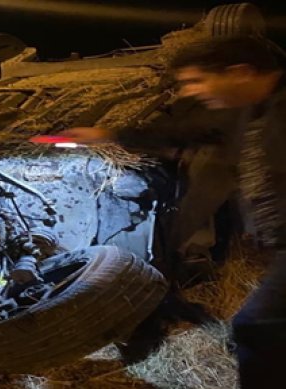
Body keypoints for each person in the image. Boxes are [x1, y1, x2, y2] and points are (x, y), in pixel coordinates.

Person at [60, 35, 286, 389]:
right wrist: (109, 134)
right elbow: (187, 132)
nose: (191, 92)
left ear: (240, 72)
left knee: (254, 327)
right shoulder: (247, 111)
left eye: (197, 80)